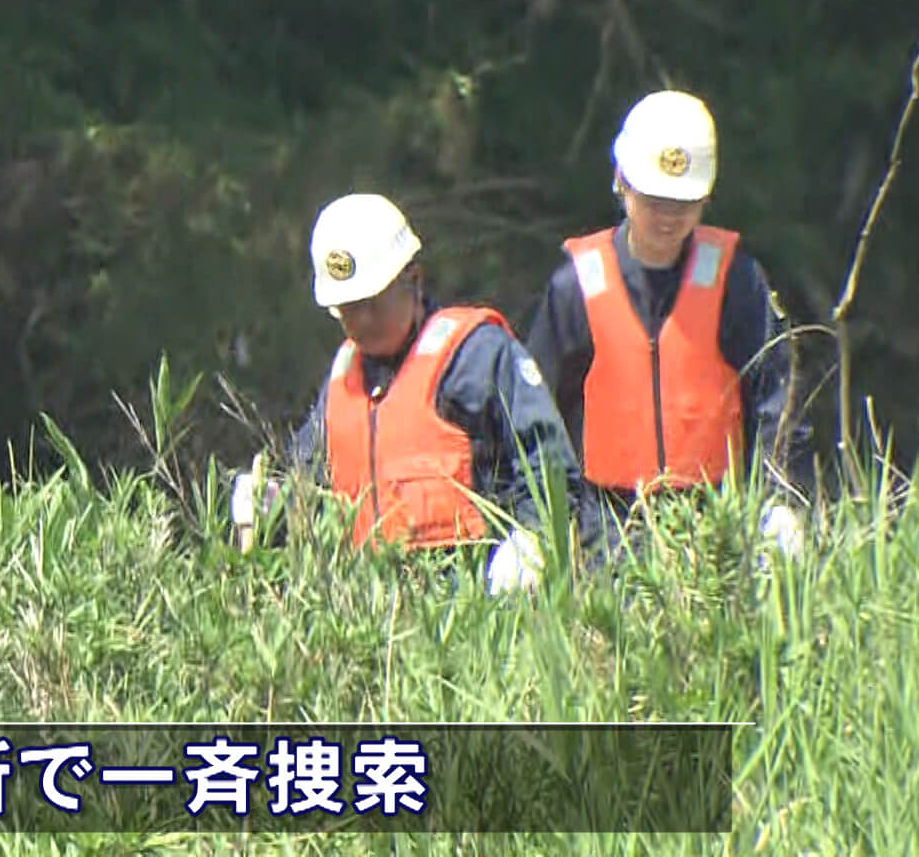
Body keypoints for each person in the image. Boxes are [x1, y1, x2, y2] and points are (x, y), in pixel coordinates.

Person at [249, 193, 601, 594]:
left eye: (372, 303)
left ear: (413, 279)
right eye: (347, 308)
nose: (361, 321)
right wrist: (272, 503)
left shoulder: (477, 357)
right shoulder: (343, 378)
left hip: (477, 604)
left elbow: (548, 465)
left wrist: (532, 540)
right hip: (369, 615)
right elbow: (310, 482)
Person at [521, 89, 811, 560]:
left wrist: (780, 501)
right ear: (621, 180)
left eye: (684, 201)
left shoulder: (737, 280)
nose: (669, 216)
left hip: (717, 522)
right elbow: (536, 418)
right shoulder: (575, 287)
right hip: (608, 530)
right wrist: (533, 526)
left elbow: (774, 401)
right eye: (655, 198)